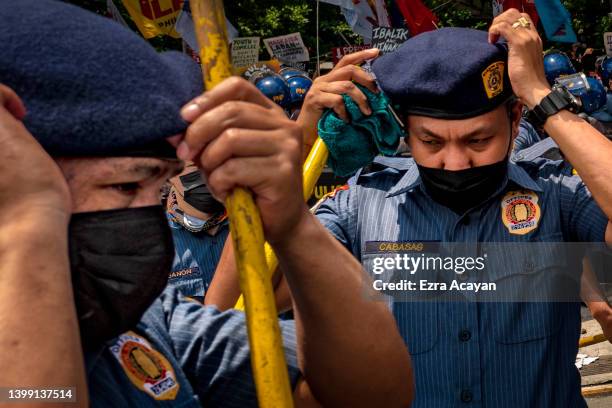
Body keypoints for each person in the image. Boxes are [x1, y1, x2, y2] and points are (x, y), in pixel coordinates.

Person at [0, 1, 414, 407]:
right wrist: (30, 224)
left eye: (159, 183)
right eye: (125, 186)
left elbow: (371, 394)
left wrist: (293, 227)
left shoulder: (149, 326)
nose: (151, 213)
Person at [297, 9, 612, 407]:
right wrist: (302, 139)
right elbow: (255, 290)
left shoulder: (555, 196)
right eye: (431, 143)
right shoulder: (361, 205)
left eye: (478, 141)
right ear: (405, 131)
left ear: (515, 120)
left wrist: (538, 94)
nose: (456, 162)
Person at [165, 164, 229, 300]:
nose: (206, 174)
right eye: (194, 166)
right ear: (169, 174)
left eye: (213, 164)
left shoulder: (260, 221)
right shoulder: (154, 241)